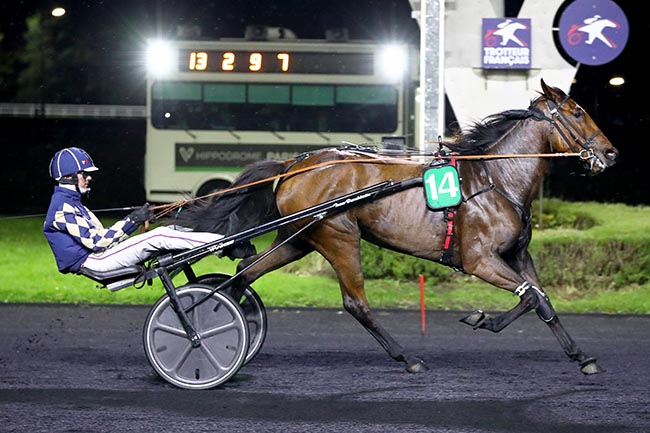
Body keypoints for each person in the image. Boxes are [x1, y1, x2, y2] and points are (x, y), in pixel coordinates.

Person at [43, 147, 225, 274]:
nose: (89, 177)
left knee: (171, 231)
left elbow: (102, 236)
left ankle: (219, 237)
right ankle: (221, 244)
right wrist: (133, 220)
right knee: (158, 237)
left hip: (98, 256)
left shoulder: (72, 203)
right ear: (68, 177)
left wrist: (142, 217)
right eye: (84, 173)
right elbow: (98, 242)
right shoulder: (62, 208)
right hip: (94, 261)